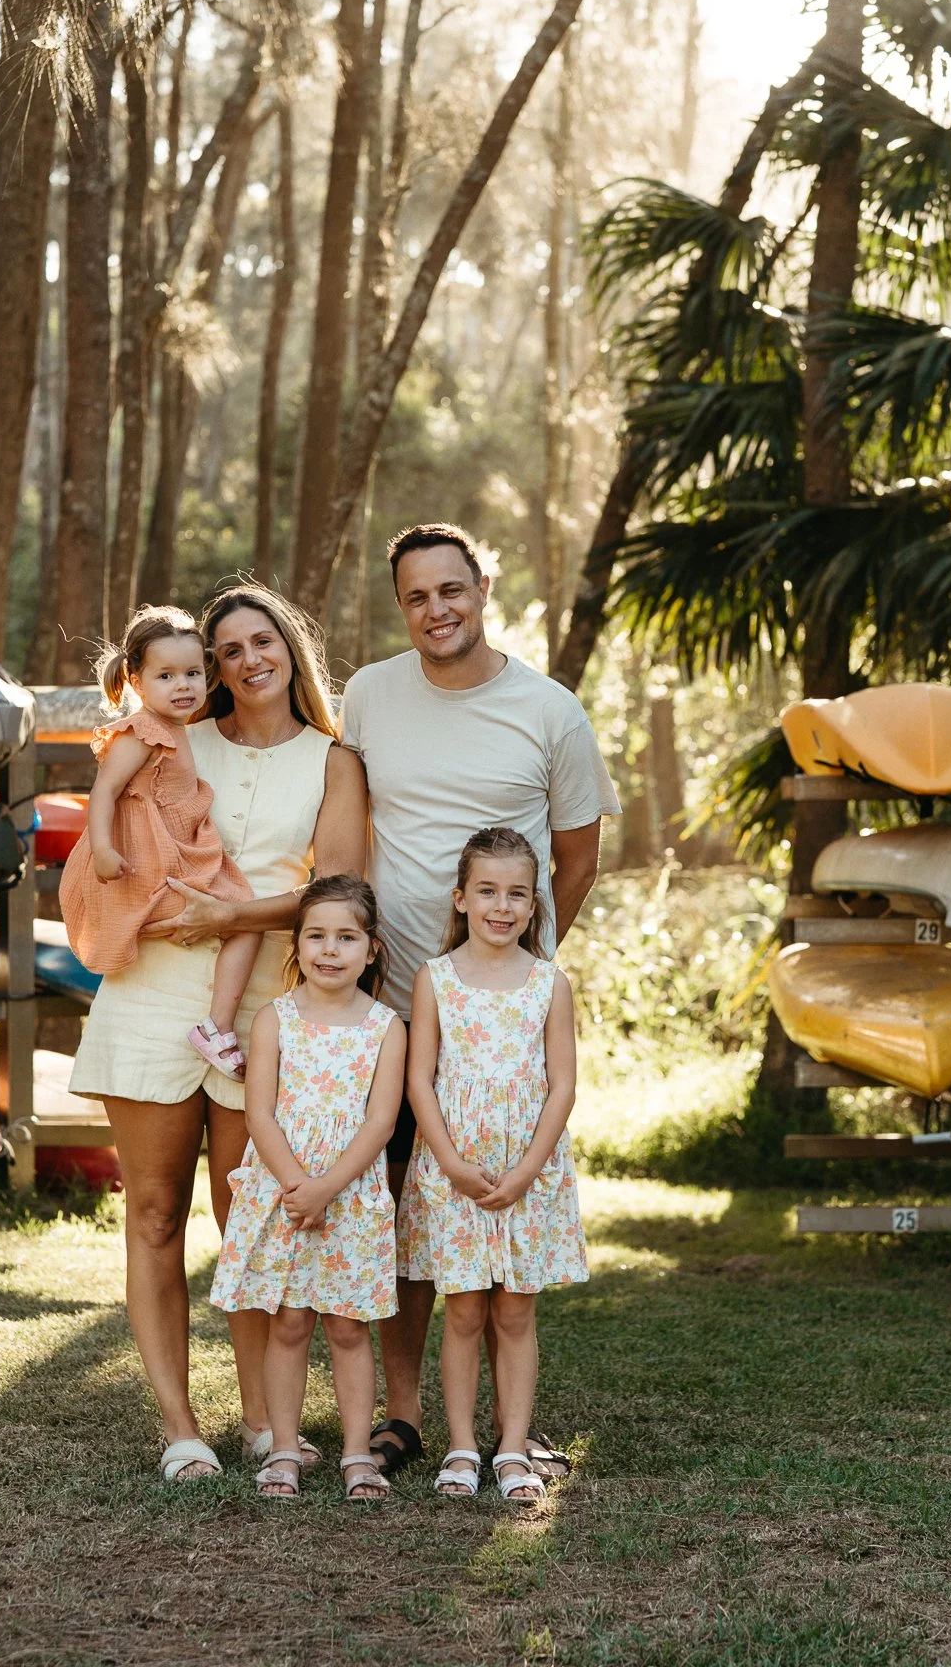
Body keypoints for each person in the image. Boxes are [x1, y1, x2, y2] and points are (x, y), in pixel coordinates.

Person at [339, 521, 618, 1481]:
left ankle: (506, 1431)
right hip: (394, 1000)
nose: (435, 611)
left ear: (482, 587)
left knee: (505, 1228)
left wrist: (517, 973)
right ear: (400, 605)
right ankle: (410, 1416)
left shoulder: (548, 711)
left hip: (493, 1014)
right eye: (415, 597)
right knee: (412, 1217)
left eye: (450, 590)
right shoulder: (370, 695)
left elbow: (576, 857)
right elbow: (348, 820)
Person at [69, 584, 367, 1481]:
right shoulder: (169, 732)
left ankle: (261, 1422)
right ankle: (179, 1430)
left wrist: (227, 919)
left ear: (289, 650)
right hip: (152, 988)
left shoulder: (332, 760)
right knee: (155, 1212)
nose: (245, 661)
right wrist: (155, 911)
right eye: (226, 649)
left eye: (260, 642)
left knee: (252, 1218)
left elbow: (341, 889)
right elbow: (102, 847)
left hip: (259, 1003)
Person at [399, 827, 587, 1506]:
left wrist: (527, 1170)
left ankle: (511, 1447)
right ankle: (460, 1446)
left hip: (526, 1172)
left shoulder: (548, 984)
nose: (500, 907)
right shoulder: (435, 979)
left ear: (534, 907)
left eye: (516, 894)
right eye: (486, 892)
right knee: (463, 1312)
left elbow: (561, 1085)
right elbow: (420, 1081)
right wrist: (449, 1160)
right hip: (455, 1170)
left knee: (514, 1314)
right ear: (460, 898)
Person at [212, 875, 406, 1501]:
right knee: (289, 1321)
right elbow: (259, 1113)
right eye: (316, 936)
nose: (330, 949)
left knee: (348, 1327)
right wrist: (299, 1186)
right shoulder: (275, 1019)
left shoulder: (385, 1027)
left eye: (346, 937)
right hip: (284, 1192)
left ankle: (356, 1455)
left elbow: (381, 1122)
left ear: (371, 949)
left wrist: (327, 1187)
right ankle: (285, 1451)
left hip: (349, 1193)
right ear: (297, 945)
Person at [60, 605, 259, 1080]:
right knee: (246, 919)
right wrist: (105, 849)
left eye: (192, 673)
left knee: (240, 916)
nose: (183, 685)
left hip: (175, 849)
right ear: (135, 679)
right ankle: (217, 1028)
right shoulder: (144, 730)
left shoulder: (173, 727)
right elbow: (105, 790)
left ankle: (215, 1023)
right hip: (153, 856)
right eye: (166, 675)